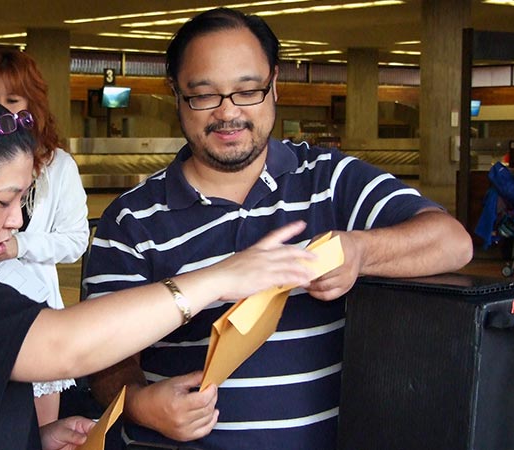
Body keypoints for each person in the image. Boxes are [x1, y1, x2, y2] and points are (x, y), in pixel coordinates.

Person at [0, 91, 322, 450]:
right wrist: (220, 277)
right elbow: (64, 346)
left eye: (24, 199)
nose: (17, 220)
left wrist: (30, 438)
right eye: (5, 200)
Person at [83, 7, 474, 450]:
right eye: (204, 95)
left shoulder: (331, 180)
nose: (228, 113)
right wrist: (137, 403)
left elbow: (452, 242)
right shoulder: (131, 219)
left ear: (274, 87)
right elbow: (99, 353)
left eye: (247, 91)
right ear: (176, 95)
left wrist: (361, 251)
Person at [0, 49, 89, 426]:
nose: (0, 110)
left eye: (12, 99)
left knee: (41, 431)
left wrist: (21, 246)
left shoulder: (57, 166)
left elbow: (75, 239)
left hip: (35, 315)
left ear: (31, 104)